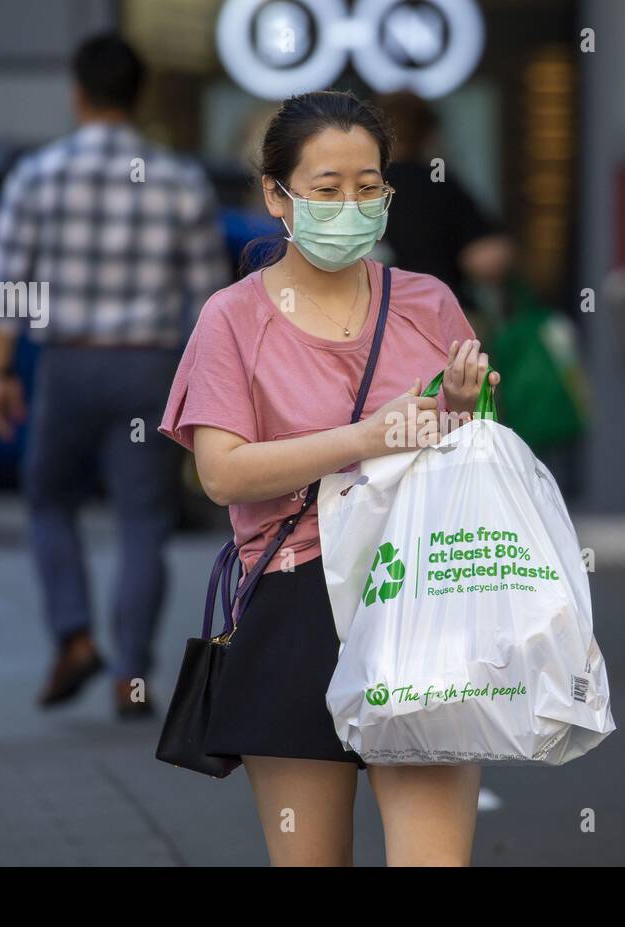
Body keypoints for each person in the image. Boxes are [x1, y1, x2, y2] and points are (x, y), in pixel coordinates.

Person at [158, 89, 500, 866]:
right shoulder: (232, 318)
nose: (352, 204)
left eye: (369, 186)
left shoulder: (428, 302)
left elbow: (482, 461)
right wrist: (365, 438)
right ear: (276, 196)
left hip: (425, 598)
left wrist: (461, 407)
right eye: (326, 189)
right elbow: (221, 473)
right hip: (294, 604)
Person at [0, 33, 227, 718]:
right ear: (139, 94)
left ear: (77, 90)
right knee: (143, 520)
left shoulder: (39, 173)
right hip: (150, 366)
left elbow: (4, 284)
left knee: (49, 497)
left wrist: (1, 371)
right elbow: (209, 299)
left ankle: (74, 635)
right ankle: (131, 676)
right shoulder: (180, 179)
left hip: (68, 362)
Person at [373, 91, 515, 312]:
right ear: (429, 132)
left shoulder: (363, 185)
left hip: (377, 315)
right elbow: (486, 259)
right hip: (442, 314)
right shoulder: (439, 183)